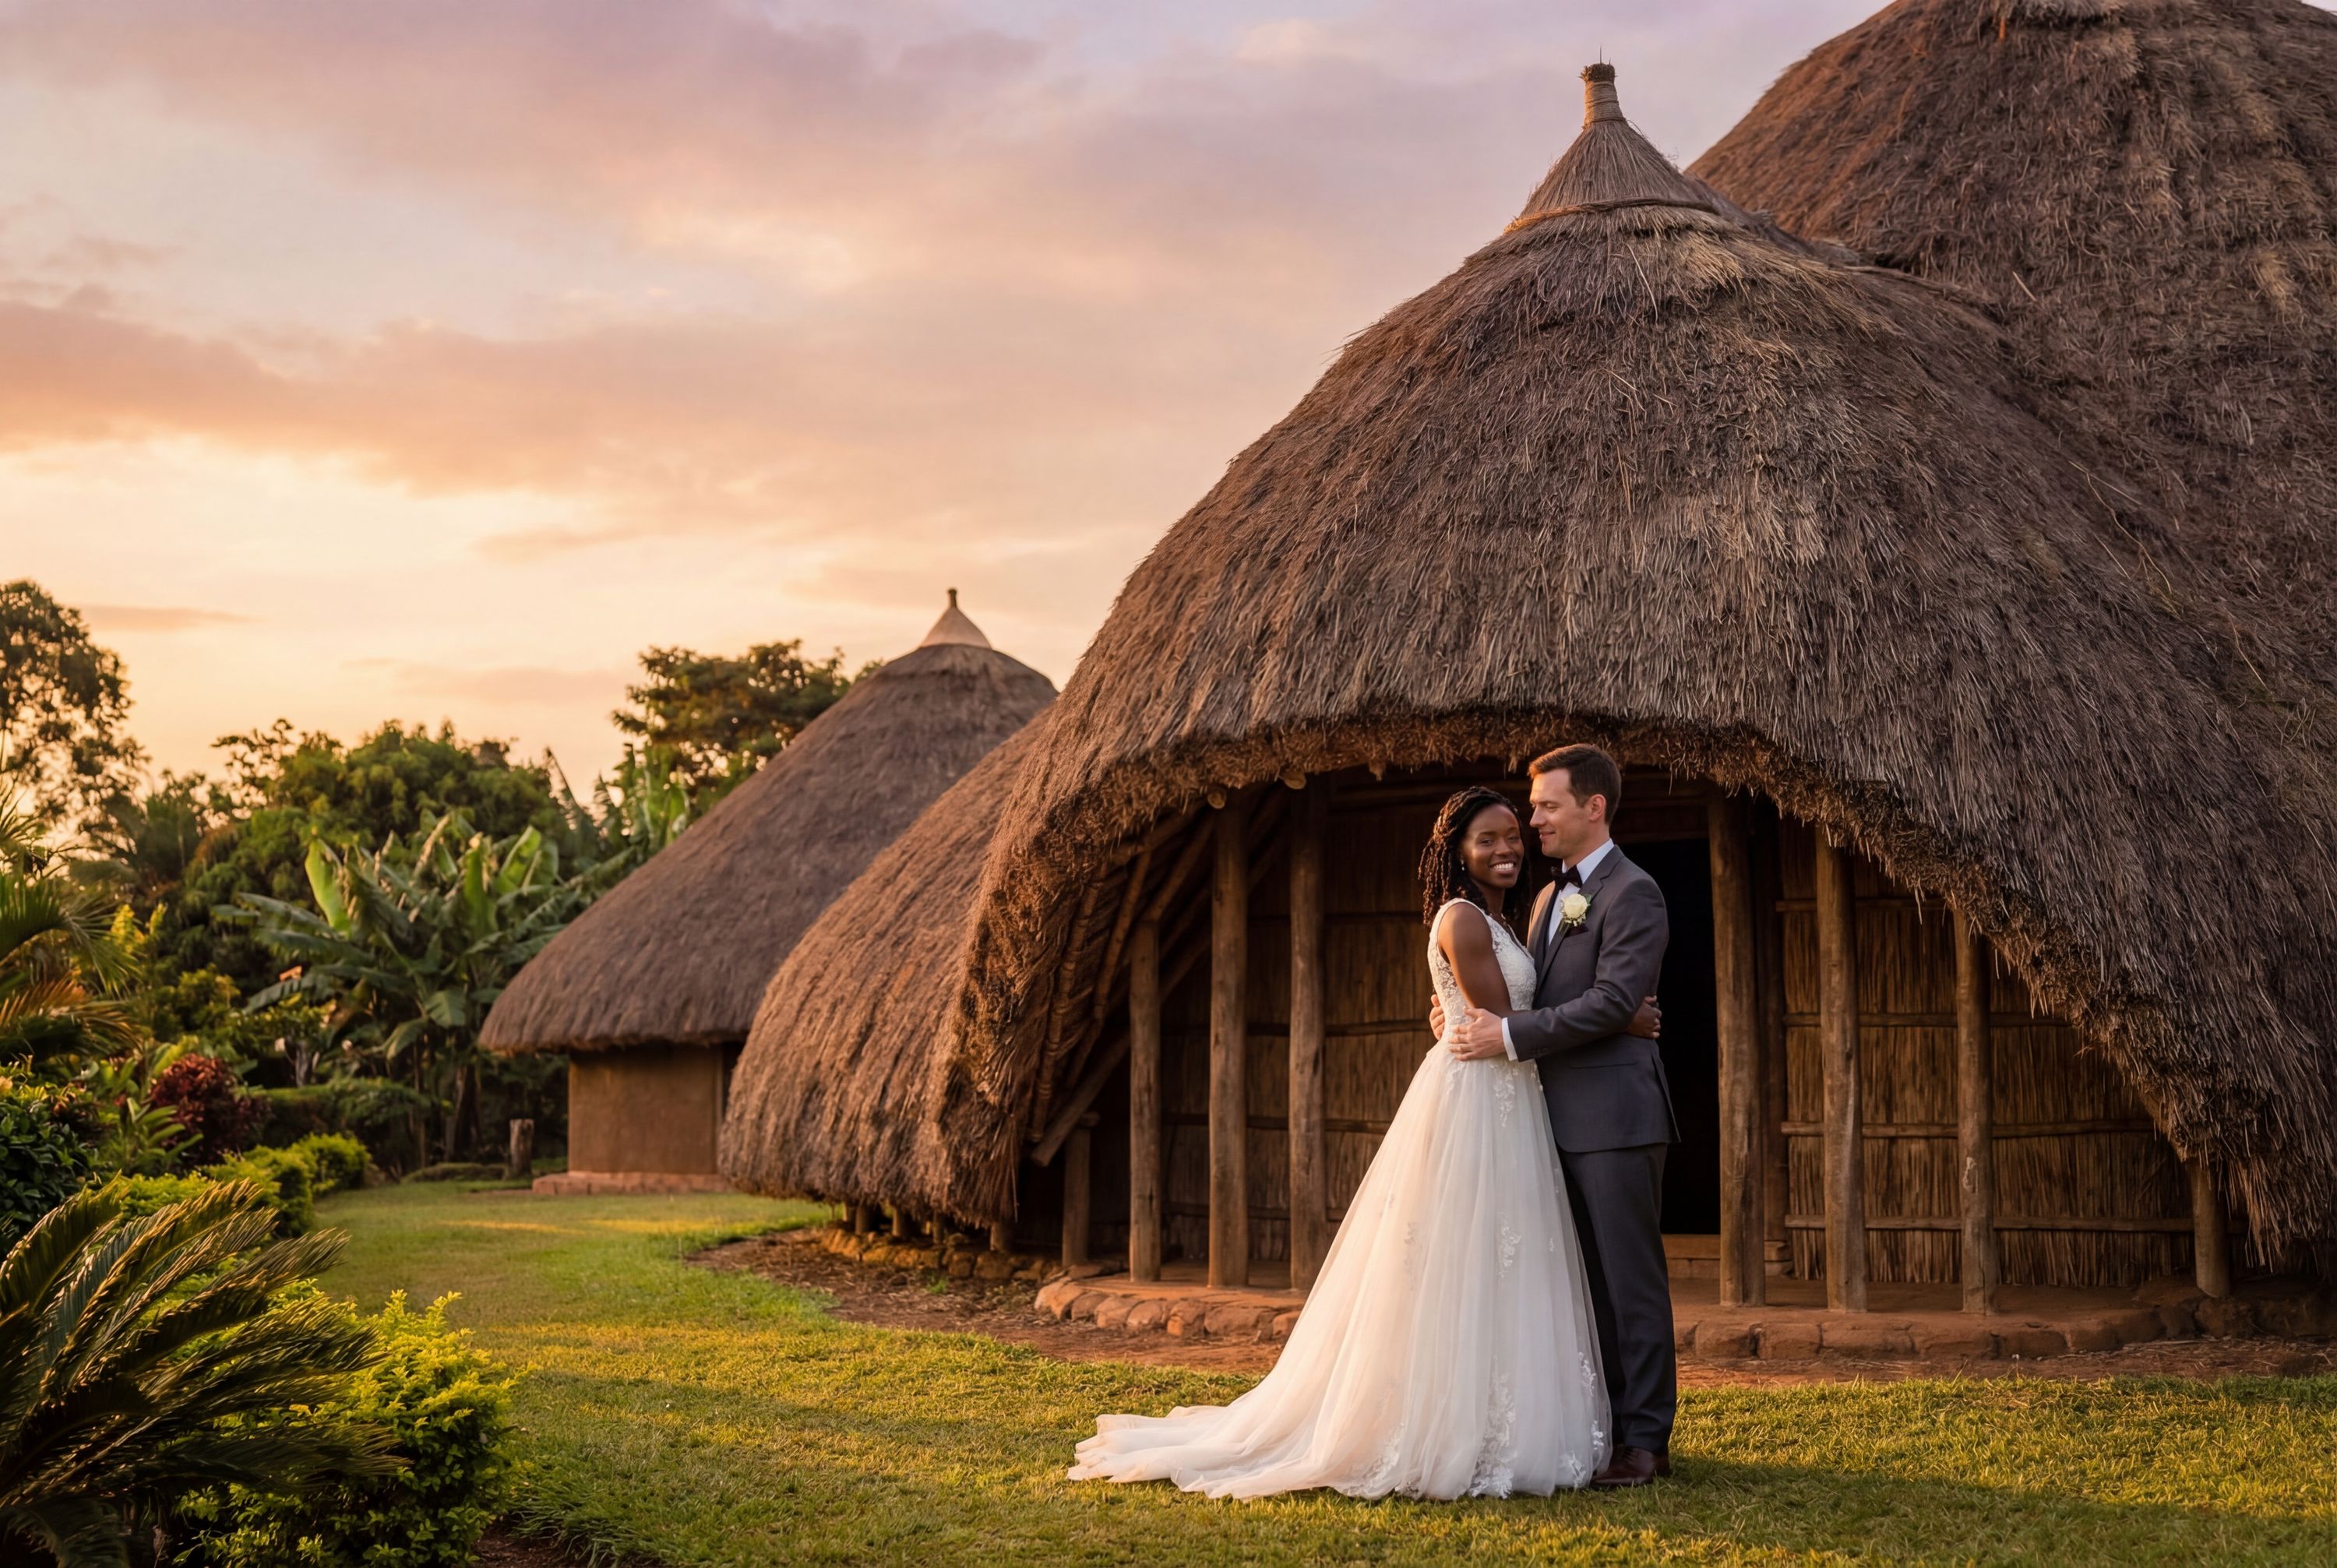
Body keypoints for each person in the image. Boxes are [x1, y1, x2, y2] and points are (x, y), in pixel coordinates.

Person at [1066, 781, 1659, 1499]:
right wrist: (1618, 1017)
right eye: (1491, 838)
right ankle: (1451, 1423)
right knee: (1466, 1261)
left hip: (1518, 1099)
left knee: (1516, 1263)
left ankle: (1559, 1424)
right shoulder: (1466, 917)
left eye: (1519, 829)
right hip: (1482, 1101)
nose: (1512, 843)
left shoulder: (1531, 912)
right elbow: (1503, 1016)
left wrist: (1593, 1013)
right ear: (1458, 852)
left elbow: (1514, 1013)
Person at [1440, 742, 1677, 1486]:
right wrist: (1454, 1014)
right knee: (1583, 1284)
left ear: (1593, 806)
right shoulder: (1547, 900)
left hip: (1615, 1117)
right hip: (1546, 1122)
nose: (1532, 819)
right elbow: (1532, 996)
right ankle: (1601, 1428)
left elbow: (1610, 999)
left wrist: (1509, 1034)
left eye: (1545, 805)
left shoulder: (1634, 892)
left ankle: (1646, 1441)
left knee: (1629, 1282)